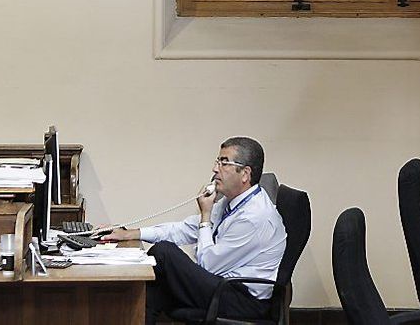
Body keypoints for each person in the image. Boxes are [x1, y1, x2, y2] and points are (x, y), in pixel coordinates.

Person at [103, 137, 287, 324]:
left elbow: (208, 265)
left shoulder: (255, 217)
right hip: (224, 285)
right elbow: (186, 229)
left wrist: (205, 214)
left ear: (245, 174)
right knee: (154, 288)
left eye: (224, 162)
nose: (215, 169)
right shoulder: (232, 202)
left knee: (165, 253)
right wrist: (132, 233)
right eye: (217, 161)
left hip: (244, 300)